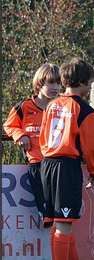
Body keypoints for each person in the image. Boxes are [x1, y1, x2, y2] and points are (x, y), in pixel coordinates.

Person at [38, 58, 94, 260]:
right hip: (66, 167)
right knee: (64, 222)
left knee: (62, 220)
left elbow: (43, 137)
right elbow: (89, 147)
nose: (91, 87)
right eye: (90, 83)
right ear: (82, 82)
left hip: (47, 164)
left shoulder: (51, 105)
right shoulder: (85, 110)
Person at [4, 63, 61, 230]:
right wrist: (20, 135)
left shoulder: (63, 106)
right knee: (48, 214)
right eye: (50, 83)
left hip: (59, 164)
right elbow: (9, 125)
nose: (55, 87)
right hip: (37, 163)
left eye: (58, 83)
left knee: (63, 215)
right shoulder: (24, 106)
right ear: (39, 84)